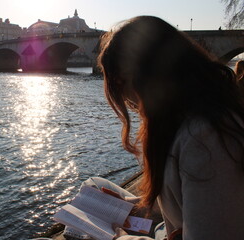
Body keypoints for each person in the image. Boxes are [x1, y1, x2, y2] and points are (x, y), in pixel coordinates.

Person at [89, 16, 244, 240]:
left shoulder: (206, 140)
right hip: (170, 228)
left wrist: (120, 238)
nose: (128, 100)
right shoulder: (186, 117)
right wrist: (130, 206)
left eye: (121, 83)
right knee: (93, 185)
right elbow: (186, 198)